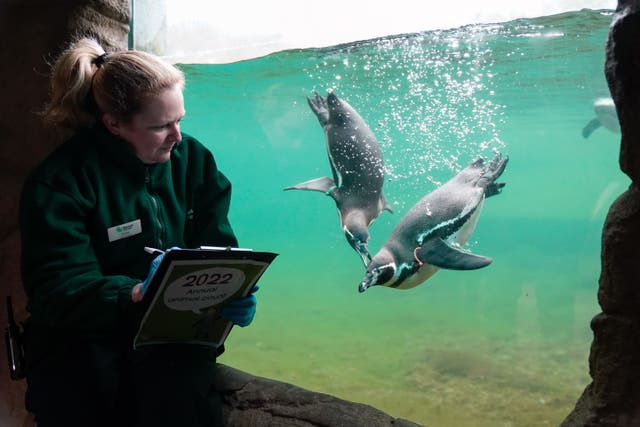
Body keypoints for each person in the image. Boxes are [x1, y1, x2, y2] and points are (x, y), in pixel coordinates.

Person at [19, 37, 257, 427]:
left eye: (179, 120)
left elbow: (218, 247)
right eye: (162, 126)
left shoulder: (192, 160)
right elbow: (55, 289)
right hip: (80, 351)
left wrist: (232, 290)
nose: (177, 136)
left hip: (170, 345)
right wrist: (134, 294)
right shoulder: (61, 181)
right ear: (114, 124)